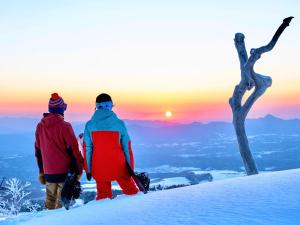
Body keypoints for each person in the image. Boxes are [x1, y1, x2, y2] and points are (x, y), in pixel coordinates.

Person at [83, 93, 139, 200]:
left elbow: (87, 149)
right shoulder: (119, 124)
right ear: (111, 106)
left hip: (98, 167)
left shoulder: (89, 125)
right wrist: (130, 169)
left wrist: (88, 170)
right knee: (132, 193)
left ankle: (104, 216)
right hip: (119, 166)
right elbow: (127, 148)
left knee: (103, 197)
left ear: (96, 106)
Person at [35, 93, 83, 209]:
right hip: (64, 174)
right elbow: (74, 150)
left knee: (50, 202)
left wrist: (41, 171)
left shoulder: (40, 126)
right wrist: (78, 170)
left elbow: (38, 152)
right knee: (63, 206)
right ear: (62, 109)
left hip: (48, 173)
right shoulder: (65, 126)